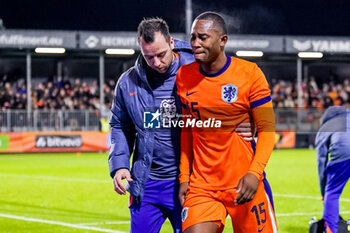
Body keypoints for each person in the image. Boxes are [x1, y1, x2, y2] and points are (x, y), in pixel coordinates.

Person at [108, 17, 253, 233]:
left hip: (191, 183)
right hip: (146, 185)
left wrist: (248, 120)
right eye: (149, 57)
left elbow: (231, 96)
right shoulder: (128, 82)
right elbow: (120, 125)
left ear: (172, 43)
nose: (156, 63)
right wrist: (119, 165)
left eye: (161, 54)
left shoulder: (199, 70)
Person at [176, 12, 277, 233]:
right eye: (193, 37)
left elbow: (268, 129)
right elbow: (186, 130)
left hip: (245, 183)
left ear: (223, 40)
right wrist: (184, 176)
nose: (195, 43)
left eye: (203, 37)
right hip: (203, 186)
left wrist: (254, 174)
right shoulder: (184, 76)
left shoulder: (249, 74)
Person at [315, 102, 350, 233]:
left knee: (333, 193)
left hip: (344, 151)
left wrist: (324, 192)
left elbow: (321, 161)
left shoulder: (325, 127)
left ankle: (331, 230)